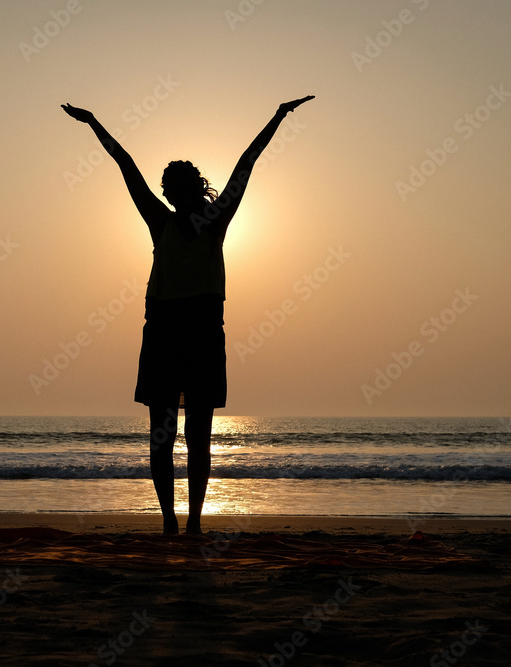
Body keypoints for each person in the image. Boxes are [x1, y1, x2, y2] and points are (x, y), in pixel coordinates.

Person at [62, 95, 314, 535]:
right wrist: (94, 123)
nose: (166, 192)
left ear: (192, 188)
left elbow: (246, 162)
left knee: (198, 436)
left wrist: (277, 116)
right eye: (165, 187)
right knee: (160, 437)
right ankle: (169, 521)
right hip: (162, 332)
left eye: (173, 186)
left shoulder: (216, 221)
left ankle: (195, 522)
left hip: (201, 332)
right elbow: (126, 166)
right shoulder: (159, 220)